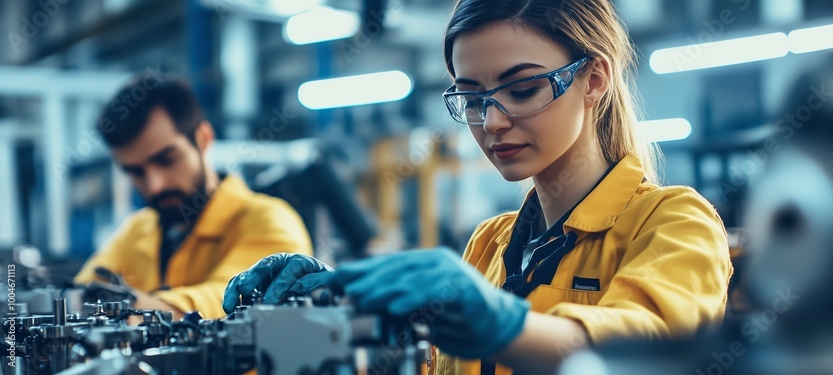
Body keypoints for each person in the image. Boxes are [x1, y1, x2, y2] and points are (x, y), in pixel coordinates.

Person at [223, 0, 732, 374]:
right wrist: (343, 310)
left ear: (594, 79)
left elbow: (651, 350)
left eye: (522, 88)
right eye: (471, 97)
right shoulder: (492, 243)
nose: (491, 121)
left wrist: (504, 326)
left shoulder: (674, 223)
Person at [74, 75, 313, 320]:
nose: (155, 186)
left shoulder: (270, 220)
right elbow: (80, 293)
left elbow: (236, 299)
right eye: (136, 172)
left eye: (166, 160)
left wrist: (136, 309)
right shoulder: (137, 229)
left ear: (203, 139)